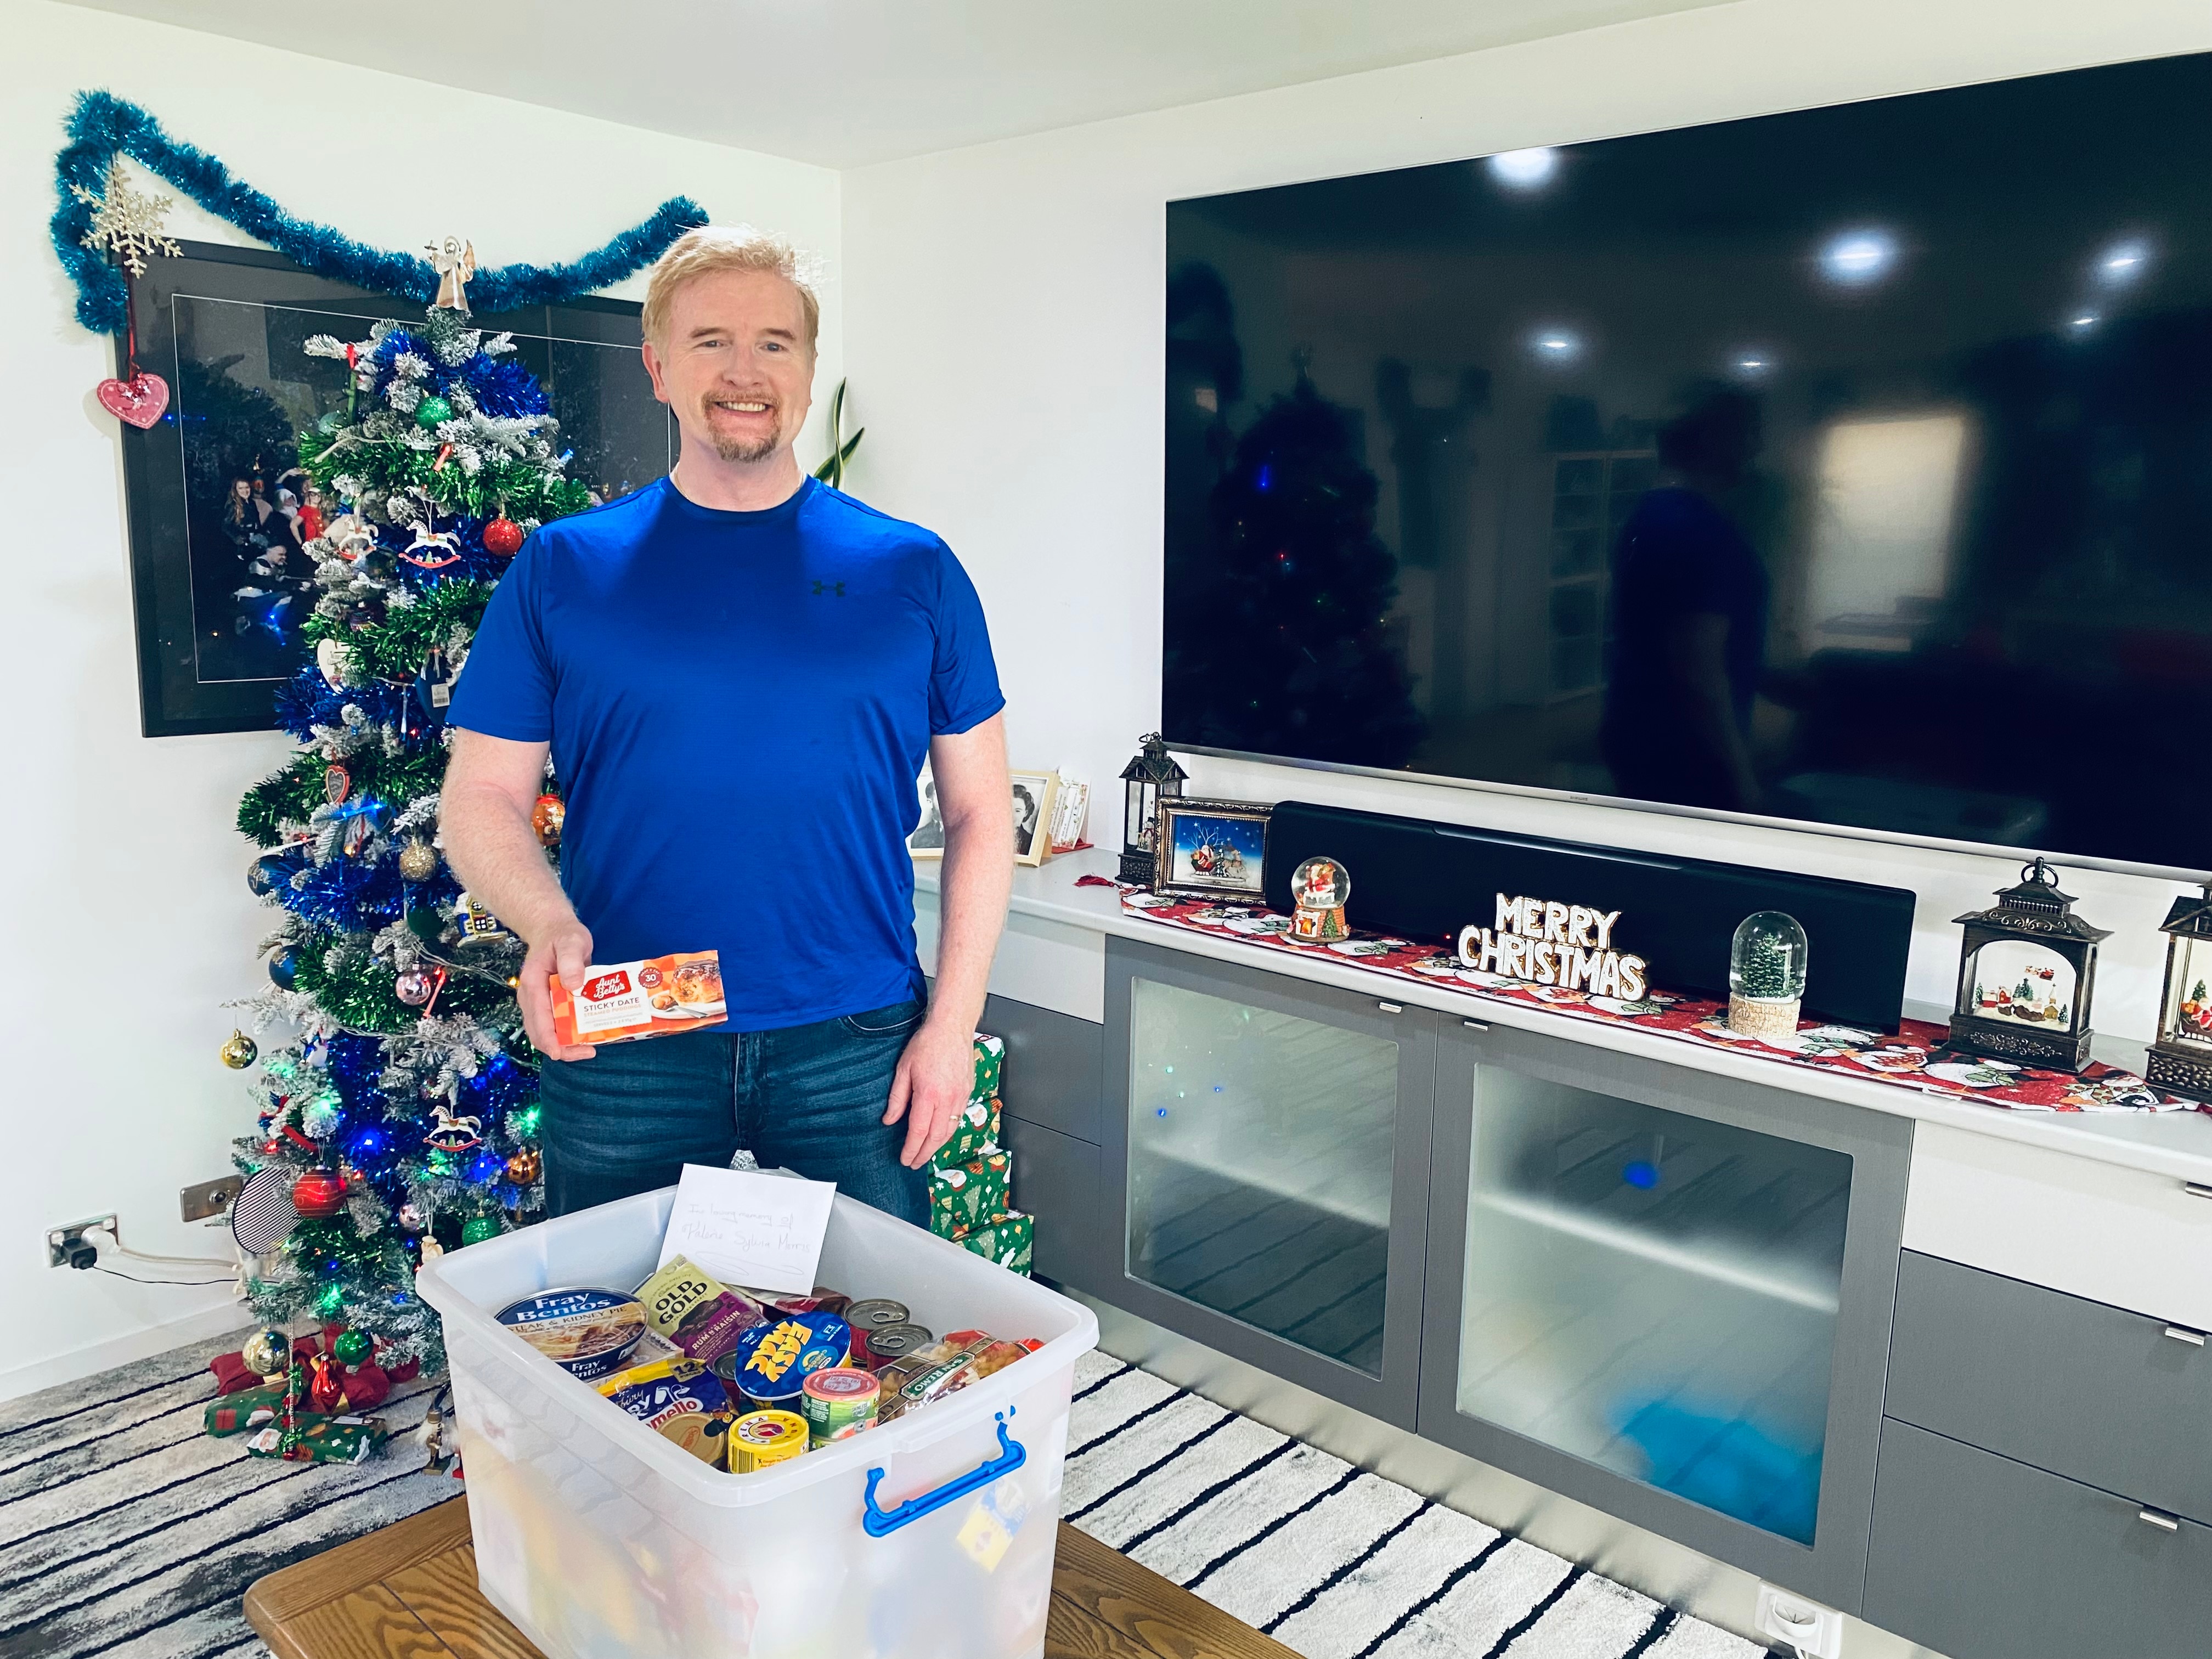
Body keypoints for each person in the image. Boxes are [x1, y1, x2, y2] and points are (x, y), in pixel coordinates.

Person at [440, 225, 1014, 1225]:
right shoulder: (561, 568)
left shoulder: (913, 570)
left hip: (855, 1030)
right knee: (610, 1337)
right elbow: (482, 796)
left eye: (774, 343)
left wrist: (953, 1021)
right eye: (710, 341)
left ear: (806, 367)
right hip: (627, 1025)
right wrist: (548, 921)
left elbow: (979, 812)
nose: (744, 371)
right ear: (658, 366)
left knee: (879, 1345)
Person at [1599, 388, 1769, 814]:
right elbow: (1699, 663)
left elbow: (1664, 632)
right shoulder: (1707, 532)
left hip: (1635, 732)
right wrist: (1742, 777)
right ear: (1718, 441)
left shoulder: (1647, 515)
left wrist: (1769, 676)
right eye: (1749, 436)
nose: (1756, 450)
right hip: (1687, 753)